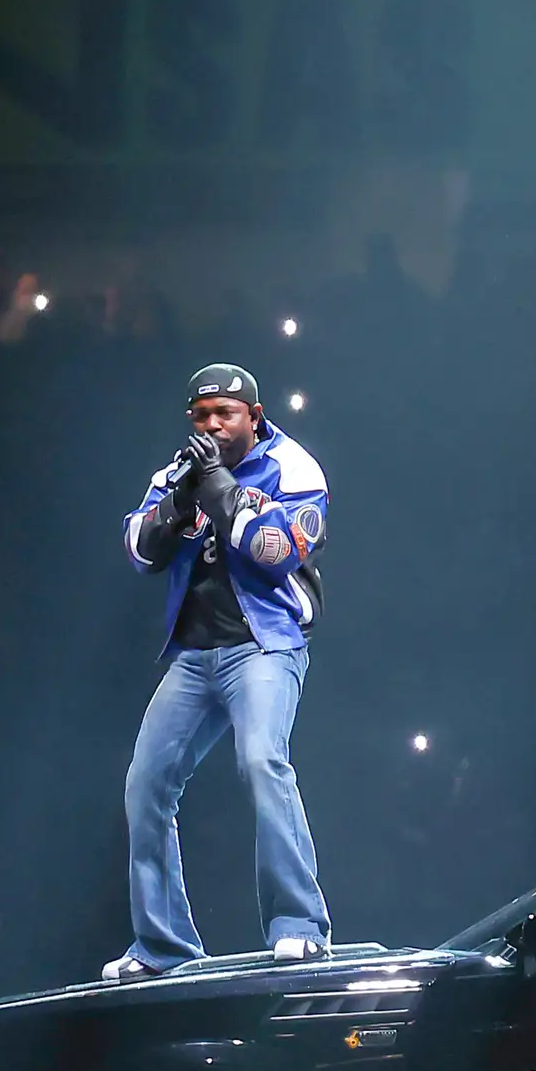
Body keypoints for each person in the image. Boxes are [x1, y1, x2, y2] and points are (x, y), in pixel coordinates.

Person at [108, 364, 331, 978]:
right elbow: (137, 549)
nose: (213, 425)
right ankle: (162, 947)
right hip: (193, 655)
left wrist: (221, 491)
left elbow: (278, 551)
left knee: (261, 761)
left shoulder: (293, 467)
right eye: (203, 415)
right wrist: (182, 501)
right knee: (145, 784)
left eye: (225, 414)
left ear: (253, 417)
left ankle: (300, 925)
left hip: (262, 648)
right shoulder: (176, 474)